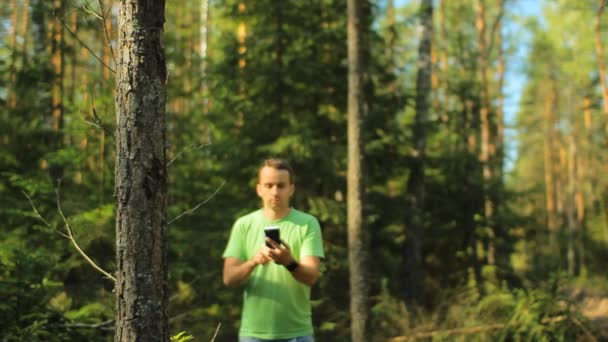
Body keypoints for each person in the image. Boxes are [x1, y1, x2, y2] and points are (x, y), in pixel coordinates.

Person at [222, 158, 325, 342]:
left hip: (297, 334)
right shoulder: (244, 225)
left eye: (281, 185)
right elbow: (229, 278)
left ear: (291, 189)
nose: (275, 192)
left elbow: (311, 277)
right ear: (259, 189)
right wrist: (254, 261)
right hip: (254, 334)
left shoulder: (307, 224)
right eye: (269, 185)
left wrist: (289, 262)